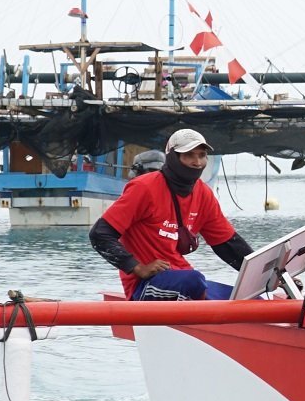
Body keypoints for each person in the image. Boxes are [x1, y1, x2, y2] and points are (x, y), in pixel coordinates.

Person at [89, 127, 253, 300]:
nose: (197, 162)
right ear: (173, 158)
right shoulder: (144, 188)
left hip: (181, 277)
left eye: (202, 155)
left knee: (250, 299)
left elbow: (228, 245)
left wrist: (267, 274)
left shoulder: (203, 194)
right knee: (194, 281)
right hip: (145, 285)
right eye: (189, 155)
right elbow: (100, 234)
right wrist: (137, 267)